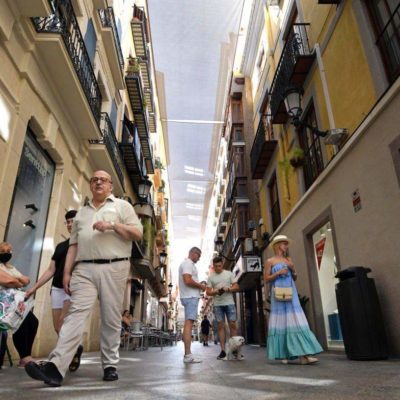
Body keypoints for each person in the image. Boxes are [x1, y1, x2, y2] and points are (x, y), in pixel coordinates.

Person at [25, 170, 143, 386]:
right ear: (91, 185)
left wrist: (112, 226)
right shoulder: (81, 213)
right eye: (94, 179)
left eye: (103, 180)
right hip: (84, 269)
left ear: (110, 186)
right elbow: (73, 246)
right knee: (74, 316)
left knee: (110, 318)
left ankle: (109, 365)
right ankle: (55, 368)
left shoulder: (121, 206)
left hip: (114, 266)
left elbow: (137, 233)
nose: (98, 182)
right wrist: (67, 272)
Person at [25, 210, 83, 372]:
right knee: (57, 327)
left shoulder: (84, 243)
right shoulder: (61, 246)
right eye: (68, 222)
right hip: (57, 288)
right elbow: (51, 270)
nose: (70, 224)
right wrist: (34, 288)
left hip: (72, 288)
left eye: (73, 221)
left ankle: (58, 361)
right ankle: (75, 348)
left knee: (63, 323)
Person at [264, 235, 323, 364]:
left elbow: (294, 277)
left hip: (291, 292)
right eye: (284, 244)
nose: (286, 246)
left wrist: (292, 269)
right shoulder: (270, 261)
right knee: (282, 322)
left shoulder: (288, 259)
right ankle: (284, 354)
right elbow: (266, 279)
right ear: (278, 245)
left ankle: (303, 355)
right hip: (278, 294)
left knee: (296, 321)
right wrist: (278, 273)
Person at [0, 242, 39, 368]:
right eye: (4, 251)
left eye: (9, 251)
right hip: (3, 304)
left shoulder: (9, 267)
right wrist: (17, 281)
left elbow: (26, 280)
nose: (8, 254)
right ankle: (25, 357)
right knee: (20, 322)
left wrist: (15, 281)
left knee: (33, 322)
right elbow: (10, 281)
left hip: (13, 301)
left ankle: (26, 356)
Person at [206, 256, 240, 360]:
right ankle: (223, 351)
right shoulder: (211, 277)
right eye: (216, 266)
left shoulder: (229, 274)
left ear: (222, 264)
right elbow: (207, 292)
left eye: (220, 266)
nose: (218, 268)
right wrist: (216, 291)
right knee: (220, 326)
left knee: (232, 325)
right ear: (213, 266)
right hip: (217, 304)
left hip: (229, 303)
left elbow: (236, 286)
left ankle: (234, 350)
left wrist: (228, 289)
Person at [178, 247, 206, 363]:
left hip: (189, 296)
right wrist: (201, 286)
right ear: (193, 253)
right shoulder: (188, 263)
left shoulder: (188, 264)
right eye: (198, 256)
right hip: (190, 297)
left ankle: (188, 354)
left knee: (188, 323)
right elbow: (187, 280)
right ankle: (188, 355)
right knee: (189, 323)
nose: (199, 259)